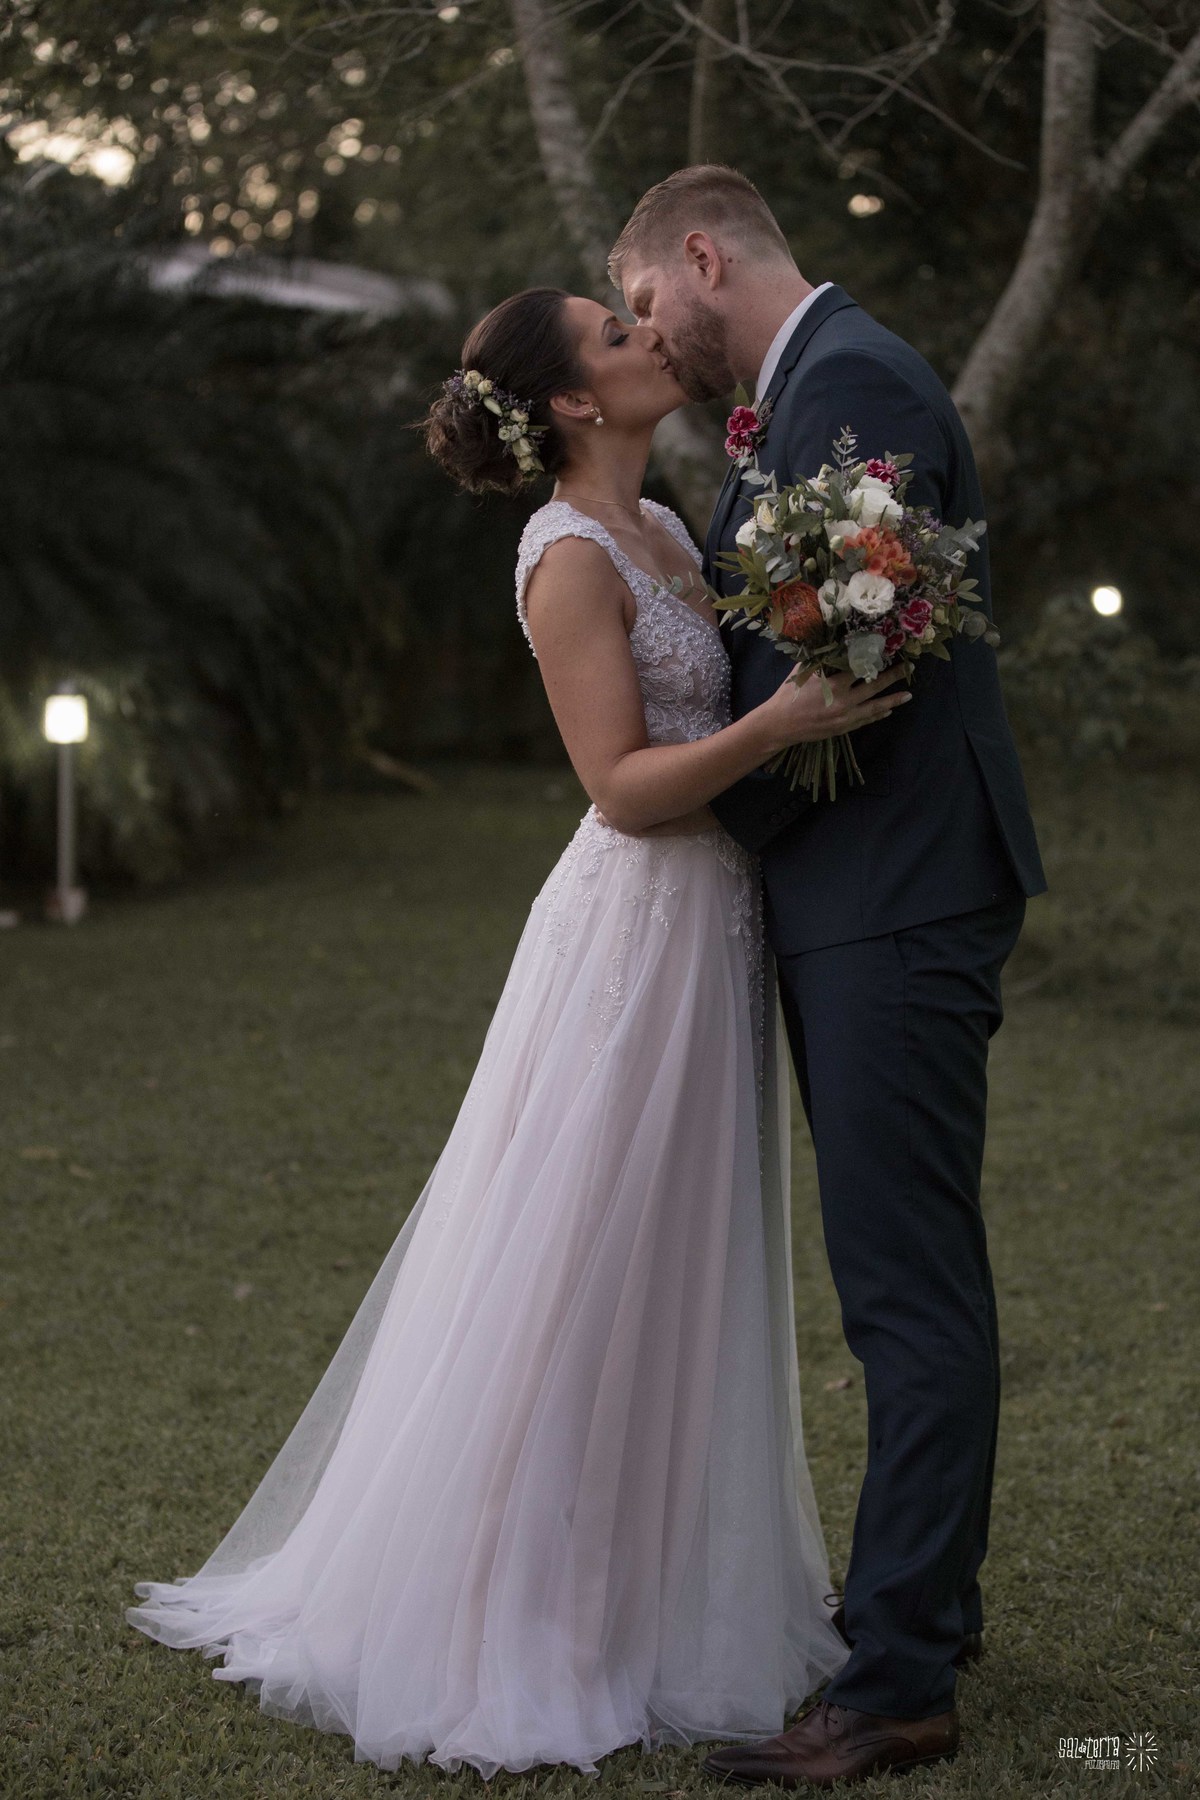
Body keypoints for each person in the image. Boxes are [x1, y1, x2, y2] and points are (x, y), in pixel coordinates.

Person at [124, 284, 911, 1780]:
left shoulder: (676, 528)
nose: (642, 339)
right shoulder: (563, 556)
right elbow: (617, 781)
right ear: (566, 402)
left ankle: (648, 1588)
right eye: (615, 336)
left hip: (716, 934)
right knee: (573, 1259)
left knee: (673, 1257)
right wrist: (781, 727)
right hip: (634, 933)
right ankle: (518, 1610)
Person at [609, 164, 1047, 1786]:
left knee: (904, 1284)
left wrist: (692, 776)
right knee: (905, 1266)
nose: (657, 335)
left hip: (899, 893)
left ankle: (899, 1684)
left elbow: (860, 641)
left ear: (704, 258)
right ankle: (925, 1598)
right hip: (860, 886)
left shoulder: (850, 382)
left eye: (650, 301)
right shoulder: (814, 386)